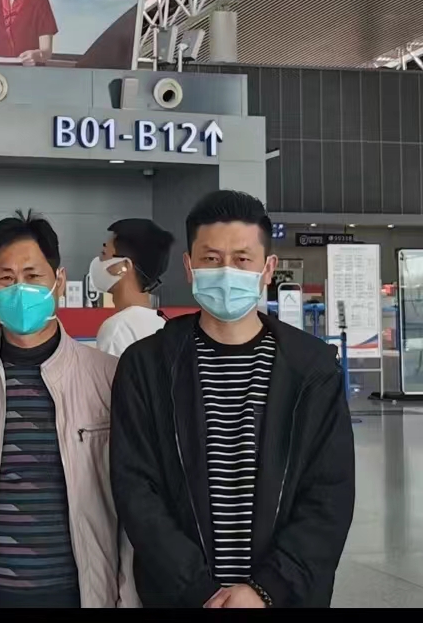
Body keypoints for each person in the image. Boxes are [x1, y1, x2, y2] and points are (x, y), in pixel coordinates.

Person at [110, 190, 355, 608]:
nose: (226, 272)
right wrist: (198, 590)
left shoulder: (311, 368)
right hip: (180, 597)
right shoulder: (146, 366)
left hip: (283, 598)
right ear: (189, 266)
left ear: (267, 269)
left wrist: (266, 590)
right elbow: (136, 489)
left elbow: (329, 495)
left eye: (242, 259)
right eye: (211, 258)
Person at [0, 211, 137, 608]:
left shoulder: (107, 377)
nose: (21, 289)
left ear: (59, 281)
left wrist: (127, 599)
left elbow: (131, 505)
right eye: (6, 278)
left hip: (80, 596)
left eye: (33, 276)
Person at [92, 218, 175, 356]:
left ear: (124, 266)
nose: (98, 261)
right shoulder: (164, 325)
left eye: (104, 254)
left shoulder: (118, 329)